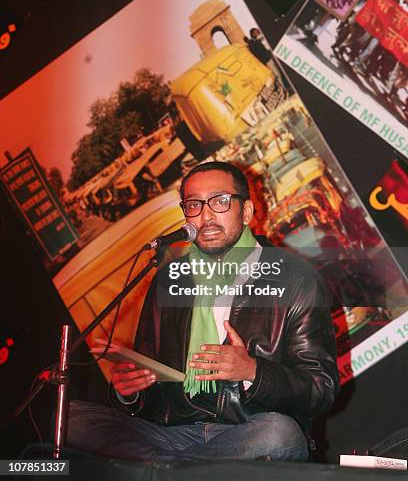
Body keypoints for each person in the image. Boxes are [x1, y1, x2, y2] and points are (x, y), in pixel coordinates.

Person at [67, 162, 339, 462]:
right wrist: (130, 393)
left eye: (220, 201)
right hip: (174, 434)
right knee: (70, 419)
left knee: (281, 434)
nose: (206, 215)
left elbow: (320, 389)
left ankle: (164, 470)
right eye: (194, 205)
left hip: (249, 430)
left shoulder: (296, 279)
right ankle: (181, 470)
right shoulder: (169, 281)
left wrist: (253, 371)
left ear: (247, 212)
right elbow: (151, 396)